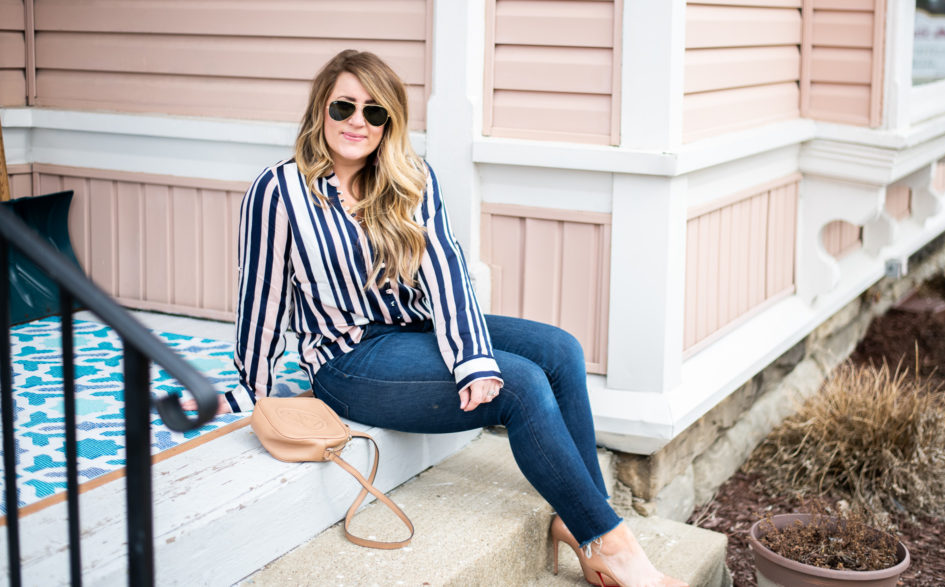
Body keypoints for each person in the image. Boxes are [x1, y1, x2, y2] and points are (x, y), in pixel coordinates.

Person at [192, 50, 688, 587]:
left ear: (390, 123)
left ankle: (582, 517)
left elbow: (448, 274)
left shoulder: (410, 179)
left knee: (560, 350)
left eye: (375, 112)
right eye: (344, 107)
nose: (358, 122)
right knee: (519, 385)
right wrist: (254, 391)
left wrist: (471, 358)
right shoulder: (279, 191)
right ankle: (612, 546)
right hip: (350, 359)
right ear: (321, 110)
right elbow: (260, 297)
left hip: (415, 330)